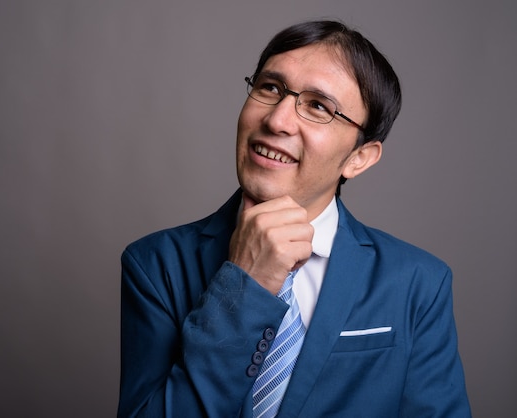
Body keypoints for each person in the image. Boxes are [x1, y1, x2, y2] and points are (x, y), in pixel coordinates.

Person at [118, 20, 471, 417]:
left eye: (319, 106)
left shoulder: (417, 283)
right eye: (270, 88)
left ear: (359, 158)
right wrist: (246, 284)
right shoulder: (155, 264)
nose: (277, 120)